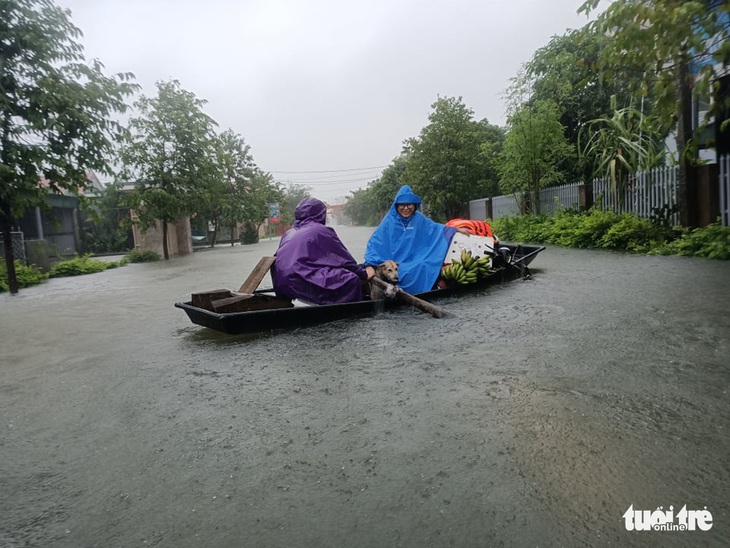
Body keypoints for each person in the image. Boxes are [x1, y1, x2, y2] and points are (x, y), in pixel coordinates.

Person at [364, 185, 469, 294]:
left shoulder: (418, 218)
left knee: (424, 265)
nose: (406, 208)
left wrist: (455, 230)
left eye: (409, 204)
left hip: (415, 257)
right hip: (394, 261)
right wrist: (369, 265)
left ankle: (426, 290)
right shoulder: (388, 222)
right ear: (396, 206)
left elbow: (435, 228)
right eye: (402, 205)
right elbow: (374, 243)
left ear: (414, 205)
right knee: (403, 271)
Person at [272, 197, 373, 304]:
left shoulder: (289, 233)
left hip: (282, 285)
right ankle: (350, 312)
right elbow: (344, 260)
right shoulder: (322, 230)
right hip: (300, 280)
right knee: (351, 279)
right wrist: (364, 273)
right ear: (321, 214)